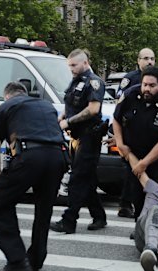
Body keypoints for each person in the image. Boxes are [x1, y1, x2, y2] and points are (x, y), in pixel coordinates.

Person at [0, 82, 68, 271]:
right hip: (59, 157)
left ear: (7, 96)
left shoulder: (6, 107)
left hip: (31, 156)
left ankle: (16, 260)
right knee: (44, 209)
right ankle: (36, 260)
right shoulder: (46, 106)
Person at [50, 49, 107, 234]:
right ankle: (99, 216)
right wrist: (63, 117)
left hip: (89, 136)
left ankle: (69, 220)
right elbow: (72, 105)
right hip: (76, 137)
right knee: (87, 178)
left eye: (74, 65)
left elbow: (92, 110)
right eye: (70, 66)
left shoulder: (94, 82)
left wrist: (68, 121)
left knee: (77, 178)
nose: (71, 69)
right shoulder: (77, 81)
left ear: (85, 63)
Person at [112, 66, 158, 220]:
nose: (147, 89)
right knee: (136, 193)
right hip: (133, 152)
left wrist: (145, 163)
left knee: (154, 194)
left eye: (152, 86)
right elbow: (116, 119)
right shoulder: (130, 95)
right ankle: (140, 227)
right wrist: (120, 144)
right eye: (145, 84)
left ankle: (154, 228)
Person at [116, 48, 157, 219]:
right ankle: (126, 204)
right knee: (130, 171)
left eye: (152, 58)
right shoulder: (130, 79)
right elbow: (120, 102)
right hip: (129, 131)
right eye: (146, 58)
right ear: (138, 61)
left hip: (148, 133)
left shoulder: (157, 78)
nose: (149, 62)